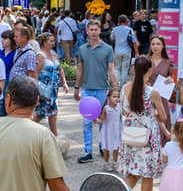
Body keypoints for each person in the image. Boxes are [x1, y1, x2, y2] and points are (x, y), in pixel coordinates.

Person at [118, 56, 167, 191]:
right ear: (150, 70)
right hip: (147, 138)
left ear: (133, 70)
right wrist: (153, 113)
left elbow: (124, 112)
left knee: (132, 174)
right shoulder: (152, 92)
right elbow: (164, 116)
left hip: (130, 136)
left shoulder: (124, 88)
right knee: (147, 176)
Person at [75, 19, 117, 163]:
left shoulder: (107, 49)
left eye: (95, 29)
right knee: (87, 121)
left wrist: (115, 87)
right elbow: (80, 69)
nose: (93, 32)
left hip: (102, 89)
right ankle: (88, 151)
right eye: (90, 29)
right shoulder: (82, 49)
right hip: (87, 89)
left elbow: (111, 70)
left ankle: (101, 145)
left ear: (99, 31)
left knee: (102, 120)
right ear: (87, 31)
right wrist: (76, 87)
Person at [33, 33, 68, 136]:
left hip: (53, 88)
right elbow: (36, 72)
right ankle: (27, 129)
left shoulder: (54, 54)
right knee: (41, 113)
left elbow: (60, 69)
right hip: (44, 89)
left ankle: (54, 137)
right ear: (44, 42)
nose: (53, 43)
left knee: (53, 112)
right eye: (51, 41)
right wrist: (36, 87)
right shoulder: (40, 55)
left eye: (54, 41)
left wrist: (64, 83)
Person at [148, 35, 175, 141]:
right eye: (153, 44)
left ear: (163, 46)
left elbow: (171, 78)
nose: (155, 46)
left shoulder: (168, 62)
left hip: (162, 96)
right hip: (147, 95)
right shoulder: (146, 60)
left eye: (158, 44)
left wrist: (170, 79)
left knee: (162, 119)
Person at [95, 88, 121, 172]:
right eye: (114, 96)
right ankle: (106, 163)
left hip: (117, 129)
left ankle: (115, 162)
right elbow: (102, 120)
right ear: (108, 97)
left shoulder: (120, 107)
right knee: (106, 147)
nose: (116, 98)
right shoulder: (106, 108)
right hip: (108, 130)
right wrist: (96, 120)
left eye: (118, 96)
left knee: (116, 146)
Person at [112, 14, 138, 85]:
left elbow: (112, 38)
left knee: (117, 68)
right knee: (125, 69)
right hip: (127, 51)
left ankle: (116, 83)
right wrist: (136, 52)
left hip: (117, 51)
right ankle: (122, 85)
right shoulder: (129, 29)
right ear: (126, 21)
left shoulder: (115, 29)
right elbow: (134, 41)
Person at [0, 29, 16, 116]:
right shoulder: (0, 52)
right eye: (2, 38)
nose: (2, 41)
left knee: (6, 104)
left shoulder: (14, 53)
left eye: (5, 38)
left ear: (11, 40)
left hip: (9, 81)